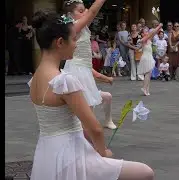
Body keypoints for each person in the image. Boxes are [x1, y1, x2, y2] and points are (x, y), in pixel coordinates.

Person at [29, 10, 154, 180]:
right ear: (59, 42)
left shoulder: (34, 80)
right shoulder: (64, 81)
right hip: (70, 155)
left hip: (47, 154)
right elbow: (94, 128)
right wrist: (103, 152)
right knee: (145, 172)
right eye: (74, 39)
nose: (76, 44)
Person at [62, 0, 116, 129]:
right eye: (80, 11)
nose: (85, 12)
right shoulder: (74, 27)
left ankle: (91, 135)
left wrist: (105, 78)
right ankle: (87, 141)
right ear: (70, 15)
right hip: (76, 71)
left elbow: (87, 66)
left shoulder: (82, 27)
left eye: (84, 9)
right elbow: (92, 12)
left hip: (82, 70)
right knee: (85, 112)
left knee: (90, 107)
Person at [137, 24, 163, 96]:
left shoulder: (148, 38)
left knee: (149, 73)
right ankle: (144, 88)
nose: (147, 32)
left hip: (149, 57)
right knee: (148, 74)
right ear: (142, 34)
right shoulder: (144, 39)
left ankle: (147, 89)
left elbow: (153, 33)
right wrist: (158, 26)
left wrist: (159, 28)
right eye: (145, 31)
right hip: (146, 57)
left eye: (147, 31)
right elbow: (152, 32)